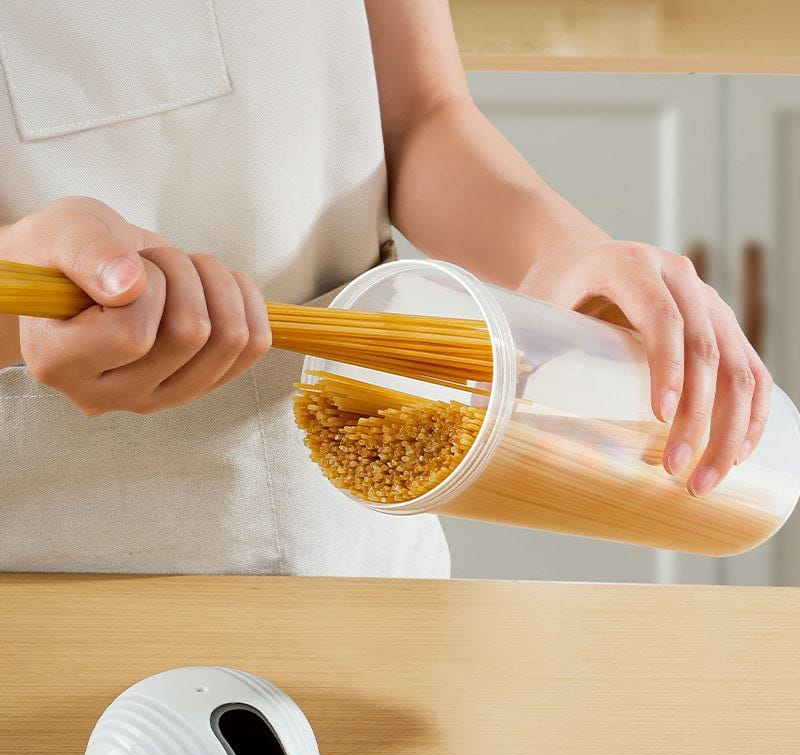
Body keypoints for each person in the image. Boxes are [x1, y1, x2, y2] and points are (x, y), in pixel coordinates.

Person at [0, 1, 769, 575]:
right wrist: (26, 303)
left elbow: (418, 114)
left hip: (360, 532)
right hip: (49, 560)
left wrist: (561, 250)